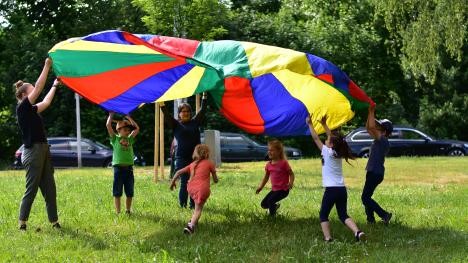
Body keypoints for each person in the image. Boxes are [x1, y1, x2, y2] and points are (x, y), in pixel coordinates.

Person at [15, 58, 61, 230]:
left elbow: (47, 102)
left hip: (43, 150)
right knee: (32, 188)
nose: (36, 91)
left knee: (50, 188)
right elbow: (40, 87)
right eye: (32, 90)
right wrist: (47, 66)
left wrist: (55, 85)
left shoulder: (32, 109)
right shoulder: (22, 109)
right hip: (32, 152)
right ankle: (22, 223)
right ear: (23, 95)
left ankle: (54, 222)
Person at [306, 116, 365, 242]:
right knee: (343, 214)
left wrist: (310, 124)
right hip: (341, 189)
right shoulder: (338, 153)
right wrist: (324, 124)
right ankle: (357, 232)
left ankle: (328, 238)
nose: (326, 140)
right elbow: (335, 139)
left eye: (327, 139)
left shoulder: (326, 151)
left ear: (331, 144)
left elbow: (315, 137)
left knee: (323, 215)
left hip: (331, 190)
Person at [161, 94, 208, 209]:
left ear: (190, 113)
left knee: (194, 182)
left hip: (195, 159)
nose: (185, 113)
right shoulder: (175, 124)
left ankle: (193, 206)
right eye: (182, 111)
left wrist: (204, 96)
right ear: (179, 114)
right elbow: (166, 114)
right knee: (184, 183)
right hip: (181, 158)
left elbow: (203, 110)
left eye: (187, 111)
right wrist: (161, 102)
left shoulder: (195, 122)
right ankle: (182, 206)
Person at [170, 144, 218, 234]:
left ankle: (192, 221)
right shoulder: (209, 163)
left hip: (191, 188)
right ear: (207, 153)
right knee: (198, 210)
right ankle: (191, 226)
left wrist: (172, 183)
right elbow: (215, 180)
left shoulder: (192, 164)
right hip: (202, 189)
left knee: (197, 207)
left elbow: (178, 172)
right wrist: (215, 179)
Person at [362, 104, 393, 224]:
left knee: (365, 198)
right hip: (373, 172)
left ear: (384, 131)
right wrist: (369, 112)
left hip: (375, 172)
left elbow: (371, 127)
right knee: (367, 197)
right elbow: (369, 128)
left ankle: (384, 215)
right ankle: (370, 220)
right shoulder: (379, 139)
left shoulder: (383, 140)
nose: (376, 127)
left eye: (379, 127)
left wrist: (371, 111)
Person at [106, 113, 140, 214]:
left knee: (130, 192)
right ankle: (118, 212)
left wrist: (129, 117)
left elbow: (137, 128)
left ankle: (128, 210)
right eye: (125, 130)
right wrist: (111, 115)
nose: (128, 132)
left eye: (128, 130)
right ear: (118, 130)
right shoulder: (115, 139)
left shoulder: (130, 139)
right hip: (118, 170)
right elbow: (108, 125)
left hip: (129, 169)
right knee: (117, 192)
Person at [255, 139, 295, 216]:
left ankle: (272, 218)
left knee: (270, 201)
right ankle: (274, 206)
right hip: (274, 190)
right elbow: (266, 178)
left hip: (283, 190)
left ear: (279, 152)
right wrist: (260, 187)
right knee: (263, 204)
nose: (269, 152)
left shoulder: (283, 163)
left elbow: (291, 174)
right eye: (269, 150)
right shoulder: (268, 165)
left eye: (272, 150)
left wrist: (291, 183)